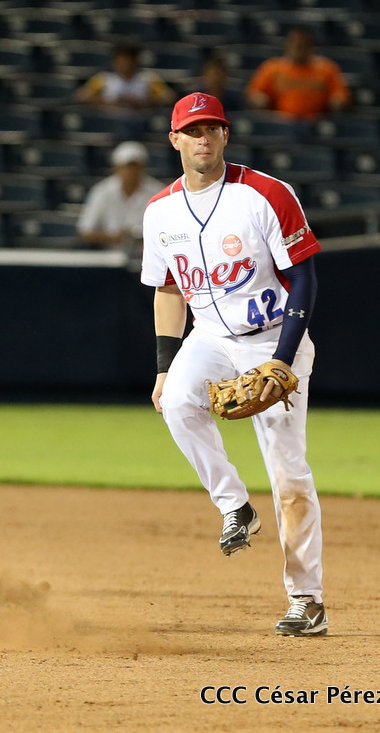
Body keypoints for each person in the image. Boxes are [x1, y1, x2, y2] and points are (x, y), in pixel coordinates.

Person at [142, 93, 325, 637]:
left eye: (211, 129)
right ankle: (235, 506)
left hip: (274, 338)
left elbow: (305, 278)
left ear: (226, 134)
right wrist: (164, 368)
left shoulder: (266, 194)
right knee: (176, 401)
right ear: (174, 140)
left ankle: (307, 599)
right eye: (192, 130)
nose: (202, 139)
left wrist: (282, 361)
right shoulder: (160, 211)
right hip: (210, 336)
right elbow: (168, 290)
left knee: (288, 473)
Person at [245, 28, 350, 120]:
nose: (300, 50)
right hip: (281, 121)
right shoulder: (272, 68)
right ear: (288, 46)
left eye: (304, 46)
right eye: (297, 46)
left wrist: (338, 101)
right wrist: (258, 99)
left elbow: (340, 94)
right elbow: (254, 92)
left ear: (311, 47)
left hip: (316, 122)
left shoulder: (326, 68)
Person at [77, 141, 164, 249]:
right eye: (127, 167)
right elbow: (85, 231)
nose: (131, 172)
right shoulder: (102, 191)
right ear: (116, 168)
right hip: (108, 254)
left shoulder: (158, 192)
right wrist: (114, 237)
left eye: (135, 167)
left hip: (148, 253)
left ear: (143, 167)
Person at [75, 44, 174, 109]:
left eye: (128, 61)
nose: (125, 65)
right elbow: (81, 97)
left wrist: (142, 103)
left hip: (140, 121)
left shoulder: (149, 79)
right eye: (121, 61)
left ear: (135, 61)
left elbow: (169, 98)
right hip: (111, 121)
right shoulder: (104, 78)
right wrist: (107, 102)